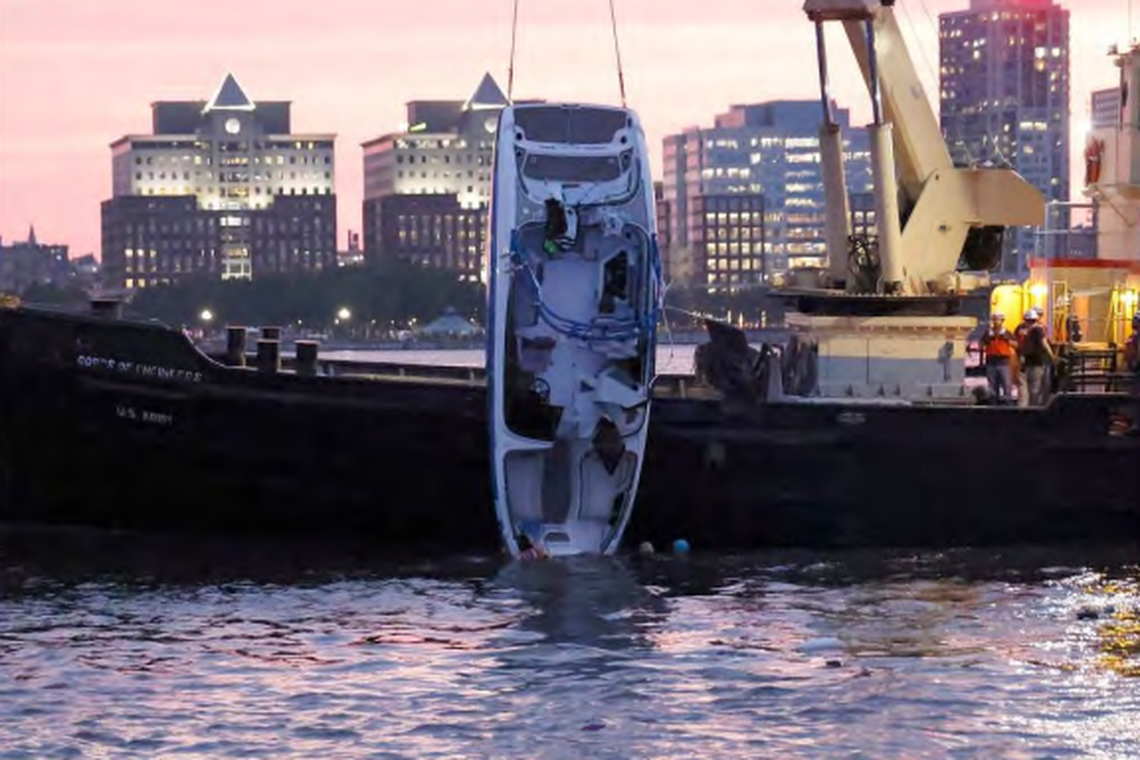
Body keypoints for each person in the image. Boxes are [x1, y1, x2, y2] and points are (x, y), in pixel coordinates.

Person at [1016, 308, 1054, 407]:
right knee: (1035, 388)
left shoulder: (1023, 330)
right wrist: (1052, 356)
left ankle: (1024, 407)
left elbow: (1018, 344)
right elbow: (1044, 343)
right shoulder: (1038, 329)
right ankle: (1033, 408)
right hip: (1037, 362)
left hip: (1026, 361)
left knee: (1024, 387)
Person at [979, 312, 1016, 403]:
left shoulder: (1007, 332)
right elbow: (981, 345)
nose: (995, 322)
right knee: (992, 387)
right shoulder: (988, 333)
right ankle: (994, 406)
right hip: (991, 362)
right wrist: (987, 339)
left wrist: (1006, 338)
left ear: (1002, 321)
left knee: (1006, 386)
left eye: (998, 319)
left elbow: (1015, 344)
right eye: (994, 319)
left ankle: (1008, 406)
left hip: (1004, 362)